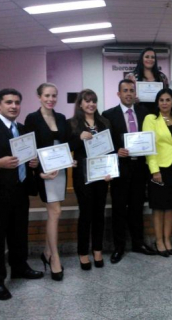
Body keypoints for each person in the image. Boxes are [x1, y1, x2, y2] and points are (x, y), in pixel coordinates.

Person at [0, 88, 43, 301]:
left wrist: (33, 162)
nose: (13, 106)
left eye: (16, 102)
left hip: (20, 188)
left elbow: (28, 156)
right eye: (8, 102)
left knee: (19, 232)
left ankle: (19, 267)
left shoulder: (22, 129)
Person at [102, 79, 157, 264]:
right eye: (125, 90)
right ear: (118, 94)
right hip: (120, 168)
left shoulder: (145, 113)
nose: (128, 93)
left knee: (137, 207)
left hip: (140, 168)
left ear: (135, 93)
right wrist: (116, 151)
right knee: (118, 209)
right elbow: (105, 143)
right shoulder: (108, 115)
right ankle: (119, 247)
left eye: (131, 90)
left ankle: (138, 243)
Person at [25, 83, 67, 281]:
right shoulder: (32, 119)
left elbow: (66, 142)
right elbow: (29, 150)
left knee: (54, 212)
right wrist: (39, 173)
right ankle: (54, 258)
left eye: (54, 96)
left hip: (60, 171)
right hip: (45, 172)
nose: (51, 99)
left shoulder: (61, 118)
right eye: (47, 95)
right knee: (55, 211)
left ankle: (46, 252)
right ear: (39, 96)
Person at [67, 89, 111, 270]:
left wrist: (110, 171)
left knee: (99, 213)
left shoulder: (104, 122)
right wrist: (79, 138)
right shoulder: (72, 123)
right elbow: (67, 146)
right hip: (83, 175)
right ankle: (83, 252)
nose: (91, 104)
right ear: (80, 104)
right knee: (86, 214)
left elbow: (110, 148)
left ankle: (98, 250)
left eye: (93, 101)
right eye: (87, 101)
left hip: (102, 174)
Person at [142, 88, 172, 257]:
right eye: (161, 100)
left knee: (171, 206)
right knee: (159, 207)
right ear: (157, 103)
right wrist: (154, 170)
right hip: (159, 167)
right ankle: (158, 241)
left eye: (168, 100)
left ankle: (167, 240)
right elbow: (148, 146)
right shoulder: (151, 119)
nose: (165, 103)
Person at [126, 47, 169, 114]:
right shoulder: (131, 77)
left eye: (152, 57)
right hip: (137, 113)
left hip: (158, 114)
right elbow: (126, 95)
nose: (150, 59)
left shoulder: (162, 77)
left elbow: (167, 95)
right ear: (141, 59)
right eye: (147, 57)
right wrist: (132, 99)